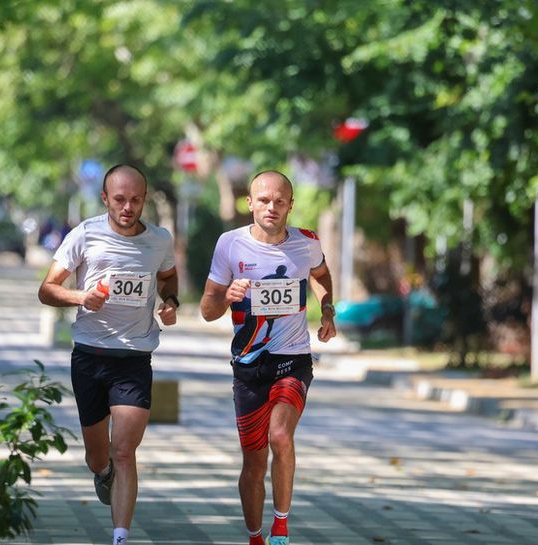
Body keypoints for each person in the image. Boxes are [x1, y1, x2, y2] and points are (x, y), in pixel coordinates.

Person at [37, 164, 179, 545]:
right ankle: (101, 474)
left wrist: (170, 301)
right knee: (99, 457)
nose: (128, 207)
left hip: (134, 357)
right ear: (105, 199)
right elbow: (47, 289)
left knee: (124, 451)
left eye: (135, 200)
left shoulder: (159, 240)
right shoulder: (85, 234)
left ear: (144, 200)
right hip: (89, 356)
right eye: (120, 199)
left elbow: (167, 277)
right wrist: (82, 296)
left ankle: (120, 537)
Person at [200, 170, 337, 545]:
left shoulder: (306, 242)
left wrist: (328, 311)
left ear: (290, 205)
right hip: (248, 365)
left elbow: (322, 275)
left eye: (279, 201)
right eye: (263, 200)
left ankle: (280, 528)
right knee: (254, 460)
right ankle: (255, 536)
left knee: (280, 435)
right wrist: (227, 295)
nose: (271, 207)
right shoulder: (230, 245)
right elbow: (207, 310)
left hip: (293, 359)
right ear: (250, 203)